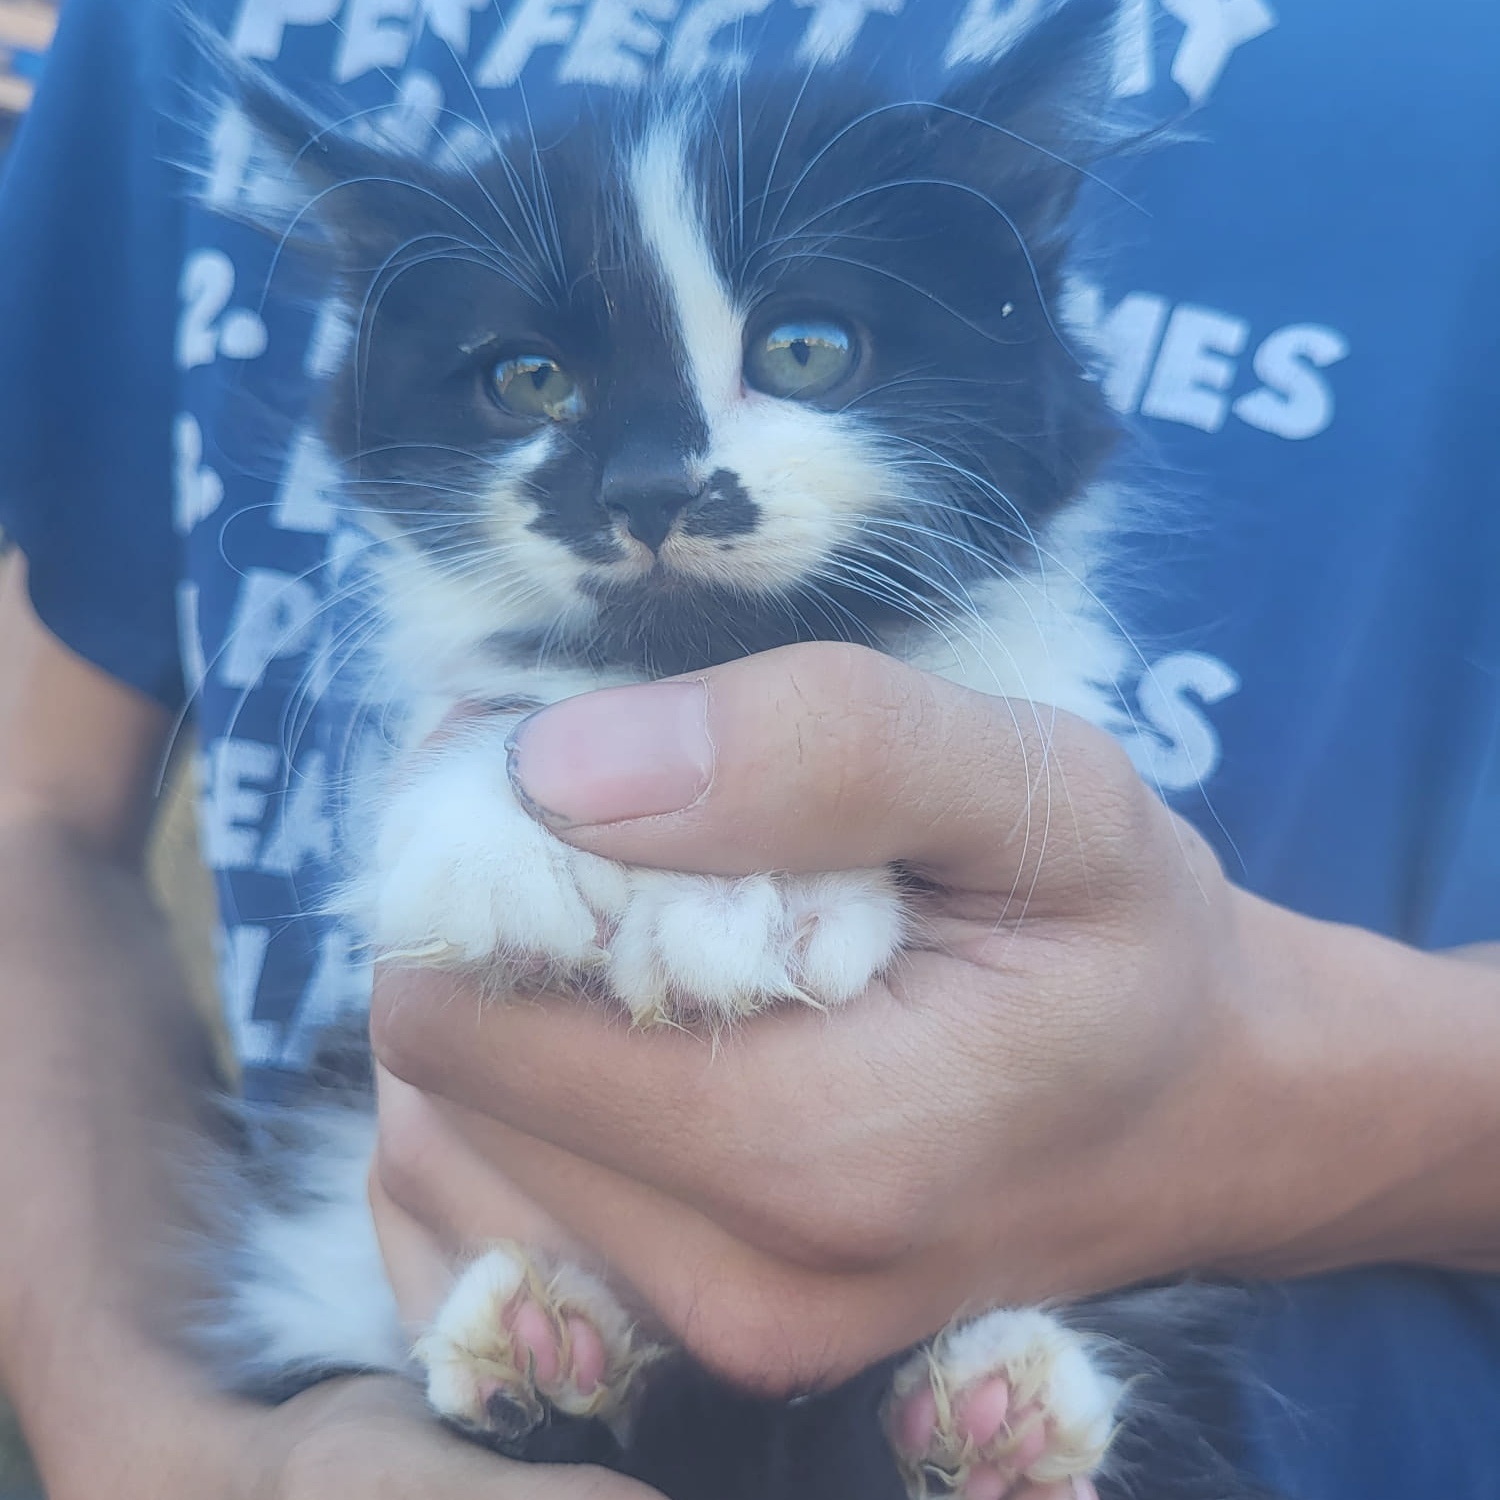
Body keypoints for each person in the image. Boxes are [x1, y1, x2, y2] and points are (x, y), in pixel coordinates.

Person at [0, 2, 1496, 1498]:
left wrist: (1234, 1106)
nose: (657, 478)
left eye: (803, 348)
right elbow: (30, 810)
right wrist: (157, 1450)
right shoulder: (157, 34)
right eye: (534, 383)